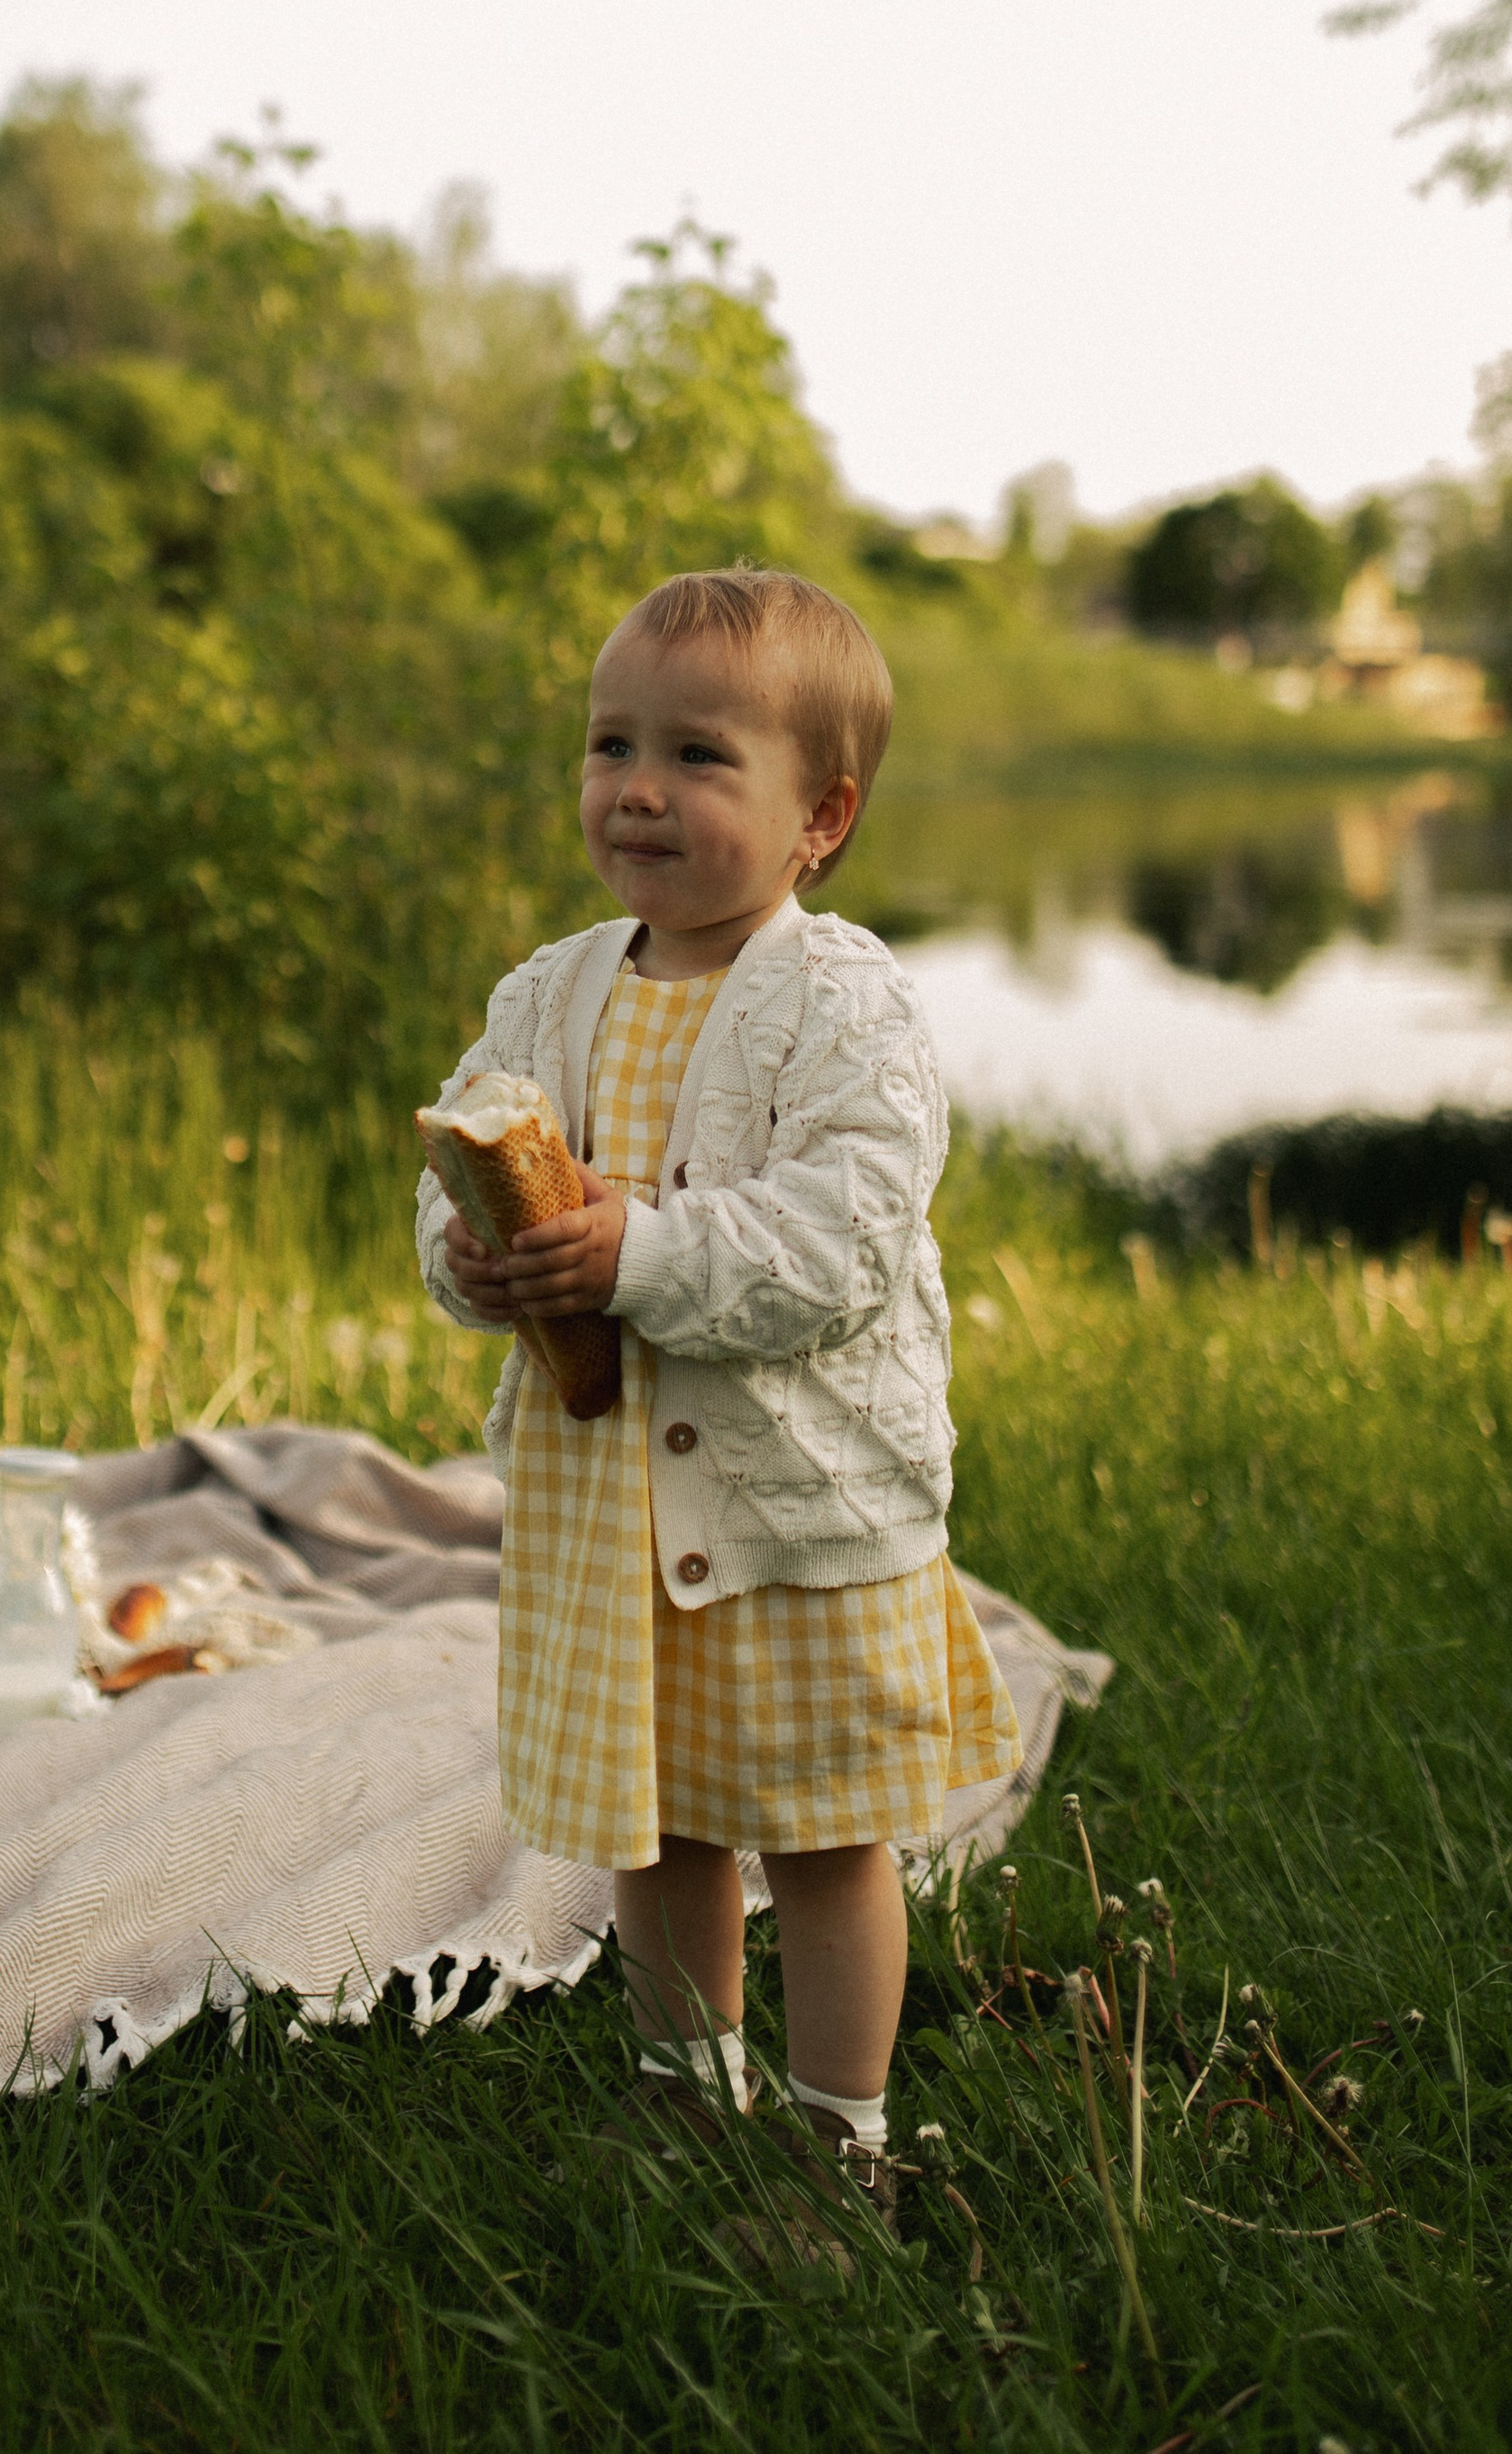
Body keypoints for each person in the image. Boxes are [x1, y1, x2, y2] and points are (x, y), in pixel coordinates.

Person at [416, 566, 1019, 2218]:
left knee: (827, 1835)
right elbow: (466, 1166)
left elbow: (837, 1243)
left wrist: (638, 1257)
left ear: (821, 817)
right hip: (612, 1508)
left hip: (793, 1508)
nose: (638, 789)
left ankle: (841, 2139)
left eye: (698, 756)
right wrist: (474, 1262)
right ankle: (690, 2102)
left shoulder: (846, 1004)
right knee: (660, 1826)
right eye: (613, 745)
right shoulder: (550, 990)